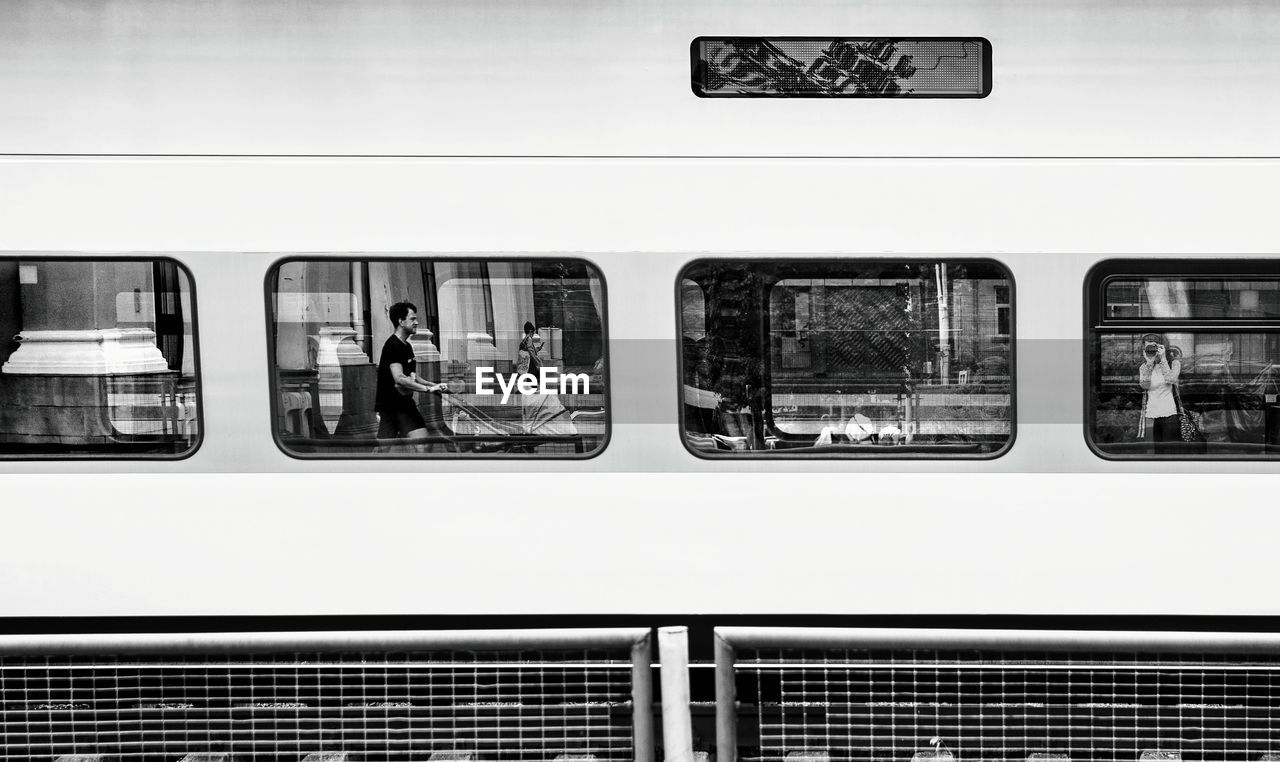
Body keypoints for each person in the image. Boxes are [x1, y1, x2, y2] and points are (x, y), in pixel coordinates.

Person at [375, 301, 447, 440]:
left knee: (419, 444)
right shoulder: (393, 345)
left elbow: (413, 376)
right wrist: (427, 389)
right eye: (412, 319)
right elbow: (400, 378)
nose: (417, 322)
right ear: (401, 321)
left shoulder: (406, 346)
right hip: (392, 406)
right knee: (416, 444)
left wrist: (434, 386)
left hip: (404, 403)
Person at [1137, 332, 1181, 453]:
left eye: (1154, 347)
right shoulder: (1144, 367)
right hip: (1151, 415)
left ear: (1162, 347)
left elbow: (1170, 379)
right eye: (1148, 347)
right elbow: (1144, 385)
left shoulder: (1174, 363)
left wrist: (1163, 359)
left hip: (1169, 414)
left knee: (1170, 452)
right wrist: (1149, 363)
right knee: (1154, 453)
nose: (1152, 350)